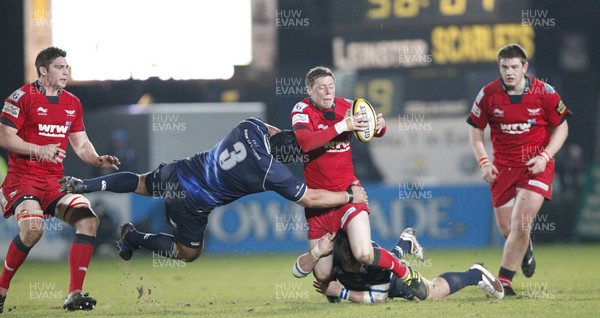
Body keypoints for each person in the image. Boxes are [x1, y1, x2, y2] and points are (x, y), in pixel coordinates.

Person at [59, 117, 368, 264]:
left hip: (181, 170)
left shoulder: (251, 127)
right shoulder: (270, 170)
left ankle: (86, 184)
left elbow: (276, 133)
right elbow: (310, 197)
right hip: (193, 203)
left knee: (140, 182)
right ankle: (132, 237)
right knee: (188, 252)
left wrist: (299, 137)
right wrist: (349, 196)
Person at [290, 66, 427, 299]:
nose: (327, 92)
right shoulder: (302, 110)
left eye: (331, 86)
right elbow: (305, 142)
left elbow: (375, 130)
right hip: (319, 203)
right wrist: (343, 126)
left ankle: (405, 272)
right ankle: (398, 249)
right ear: (309, 89)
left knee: (363, 253)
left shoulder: (348, 106)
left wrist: (379, 126)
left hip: (350, 194)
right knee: (322, 275)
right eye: (321, 87)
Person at [0, 47, 121, 312]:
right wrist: (39, 149)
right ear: (43, 71)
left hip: (55, 182)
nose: (65, 71)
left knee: (88, 220)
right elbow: (5, 137)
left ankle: (74, 294)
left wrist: (98, 159)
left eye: (67, 67)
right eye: (59, 67)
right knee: (33, 229)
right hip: (24, 179)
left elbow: (81, 143)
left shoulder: (72, 103)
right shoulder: (21, 97)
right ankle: (1, 289)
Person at [467, 43, 571, 296]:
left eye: (515, 67)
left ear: (525, 67)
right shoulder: (488, 95)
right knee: (509, 230)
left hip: (535, 166)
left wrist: (546, 156)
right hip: (502, 169)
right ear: (499, 67)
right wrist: (484, 161)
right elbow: (475, 130)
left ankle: (504, 281)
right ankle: (527, 247)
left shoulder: (544, 93)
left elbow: (562, 126)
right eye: (504, 67)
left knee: (521, 220)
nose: (509, 72)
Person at [294, 229, 504, 303]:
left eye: (360, 262)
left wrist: (341, 293)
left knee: (431, 292)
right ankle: (406, 241)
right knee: (391, 258)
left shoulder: (373, 262)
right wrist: (316, 253)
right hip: (368, 279)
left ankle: (475, 275)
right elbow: (297, 270)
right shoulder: (332, 253)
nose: (360, 265)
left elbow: (379, 298)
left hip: (393, 282)